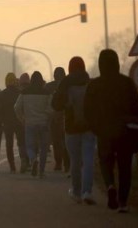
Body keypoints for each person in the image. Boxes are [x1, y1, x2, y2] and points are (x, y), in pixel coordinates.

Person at [84, 49, 138, 212]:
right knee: (125, 165)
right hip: (125, 131)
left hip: (104, 130)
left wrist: (94, 127)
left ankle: (110, 186)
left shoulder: (94, 85)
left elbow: (87, 110)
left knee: (106, 161)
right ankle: (123, 202)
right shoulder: (126, 83)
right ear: (117, 63)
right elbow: (137, 107)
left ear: (100, 64)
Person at [51, 57, 96, 205]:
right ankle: (87, 191)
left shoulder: (66, 82)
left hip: (71, 127)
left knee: (75, 160)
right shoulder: (89, 81)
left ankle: (76, 192)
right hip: (89, 126)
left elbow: (55, 104)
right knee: (88, 158)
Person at [15, 71, 52, 178]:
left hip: (29, 123)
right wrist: (47, 117)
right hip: (43, 123)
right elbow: (51, 108)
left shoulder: (25, 92)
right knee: (44, 147)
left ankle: (33, 159)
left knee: (29, 146)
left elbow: (16, 107)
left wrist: (22, 119)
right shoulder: (46, 92)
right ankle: (41, 171)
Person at [0, 72, 28, 173]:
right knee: (21, 142)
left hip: (7, 123)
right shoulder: (19, 92)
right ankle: (24, 160)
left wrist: (1, 121)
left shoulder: (2, 94)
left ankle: (12, 165)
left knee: (9, 144)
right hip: (19, 121)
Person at [45, 67, 70, 172]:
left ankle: (58, 164)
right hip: (66, 118)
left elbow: (46, 103)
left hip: (53, 118)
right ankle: (67, 164)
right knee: (65, 142)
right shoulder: (69, 86)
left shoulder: (48, 87)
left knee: (56, 142)